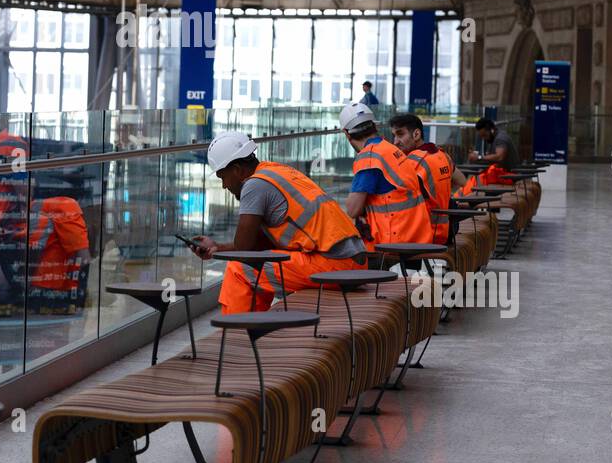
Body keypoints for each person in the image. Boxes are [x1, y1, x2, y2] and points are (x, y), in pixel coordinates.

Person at [189, 131, 367, 313]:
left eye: (223, 177)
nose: (224, 186)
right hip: (351, 261)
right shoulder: (275, 171)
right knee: (254, 265)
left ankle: (239, 335)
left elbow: (244, 251)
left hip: (337, 264)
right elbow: (255, 247)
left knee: (239, 270)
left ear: (237, 170)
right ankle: (255, 329)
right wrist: (217, 247)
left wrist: (226, 249)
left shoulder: (254, 185)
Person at [340, 103, 434, 246]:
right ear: (375, 126)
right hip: (417, 234)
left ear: (347, 134)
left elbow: (352, 210)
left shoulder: (369, 157)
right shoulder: (389, 148)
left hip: (394, 241)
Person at [388, 112, 466, 243]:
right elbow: (462, 181)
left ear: (416, 134)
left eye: (400, 134)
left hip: (426, 233)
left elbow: (397, 203)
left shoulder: (413, 162)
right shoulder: (441, 155)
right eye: (394, 136)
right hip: (450, 229)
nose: (395, 142)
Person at [468, 117, 522, 185]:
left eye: (484, 135)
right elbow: (492, 160)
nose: (484, 138)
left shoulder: (501, 138)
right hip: (501, 174)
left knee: (480, 181)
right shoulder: (493, 139)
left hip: (509, 176)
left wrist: (479, 157)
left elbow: (499, 157)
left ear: (491, 130)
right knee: (475, 179)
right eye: (482, 136)